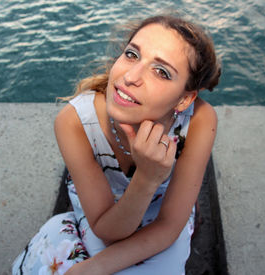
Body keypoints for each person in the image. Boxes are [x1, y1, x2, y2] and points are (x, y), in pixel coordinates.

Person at [12, 14, 221, 275]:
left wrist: (91, 269)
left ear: (184, 99)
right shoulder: (75, 121)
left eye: (162, 72)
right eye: (132, 55)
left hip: (165, 212)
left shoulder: (200, 121)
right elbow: (108, 232)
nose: (131, 76)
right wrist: (145, 178)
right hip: (103, 214)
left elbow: (168, 226)